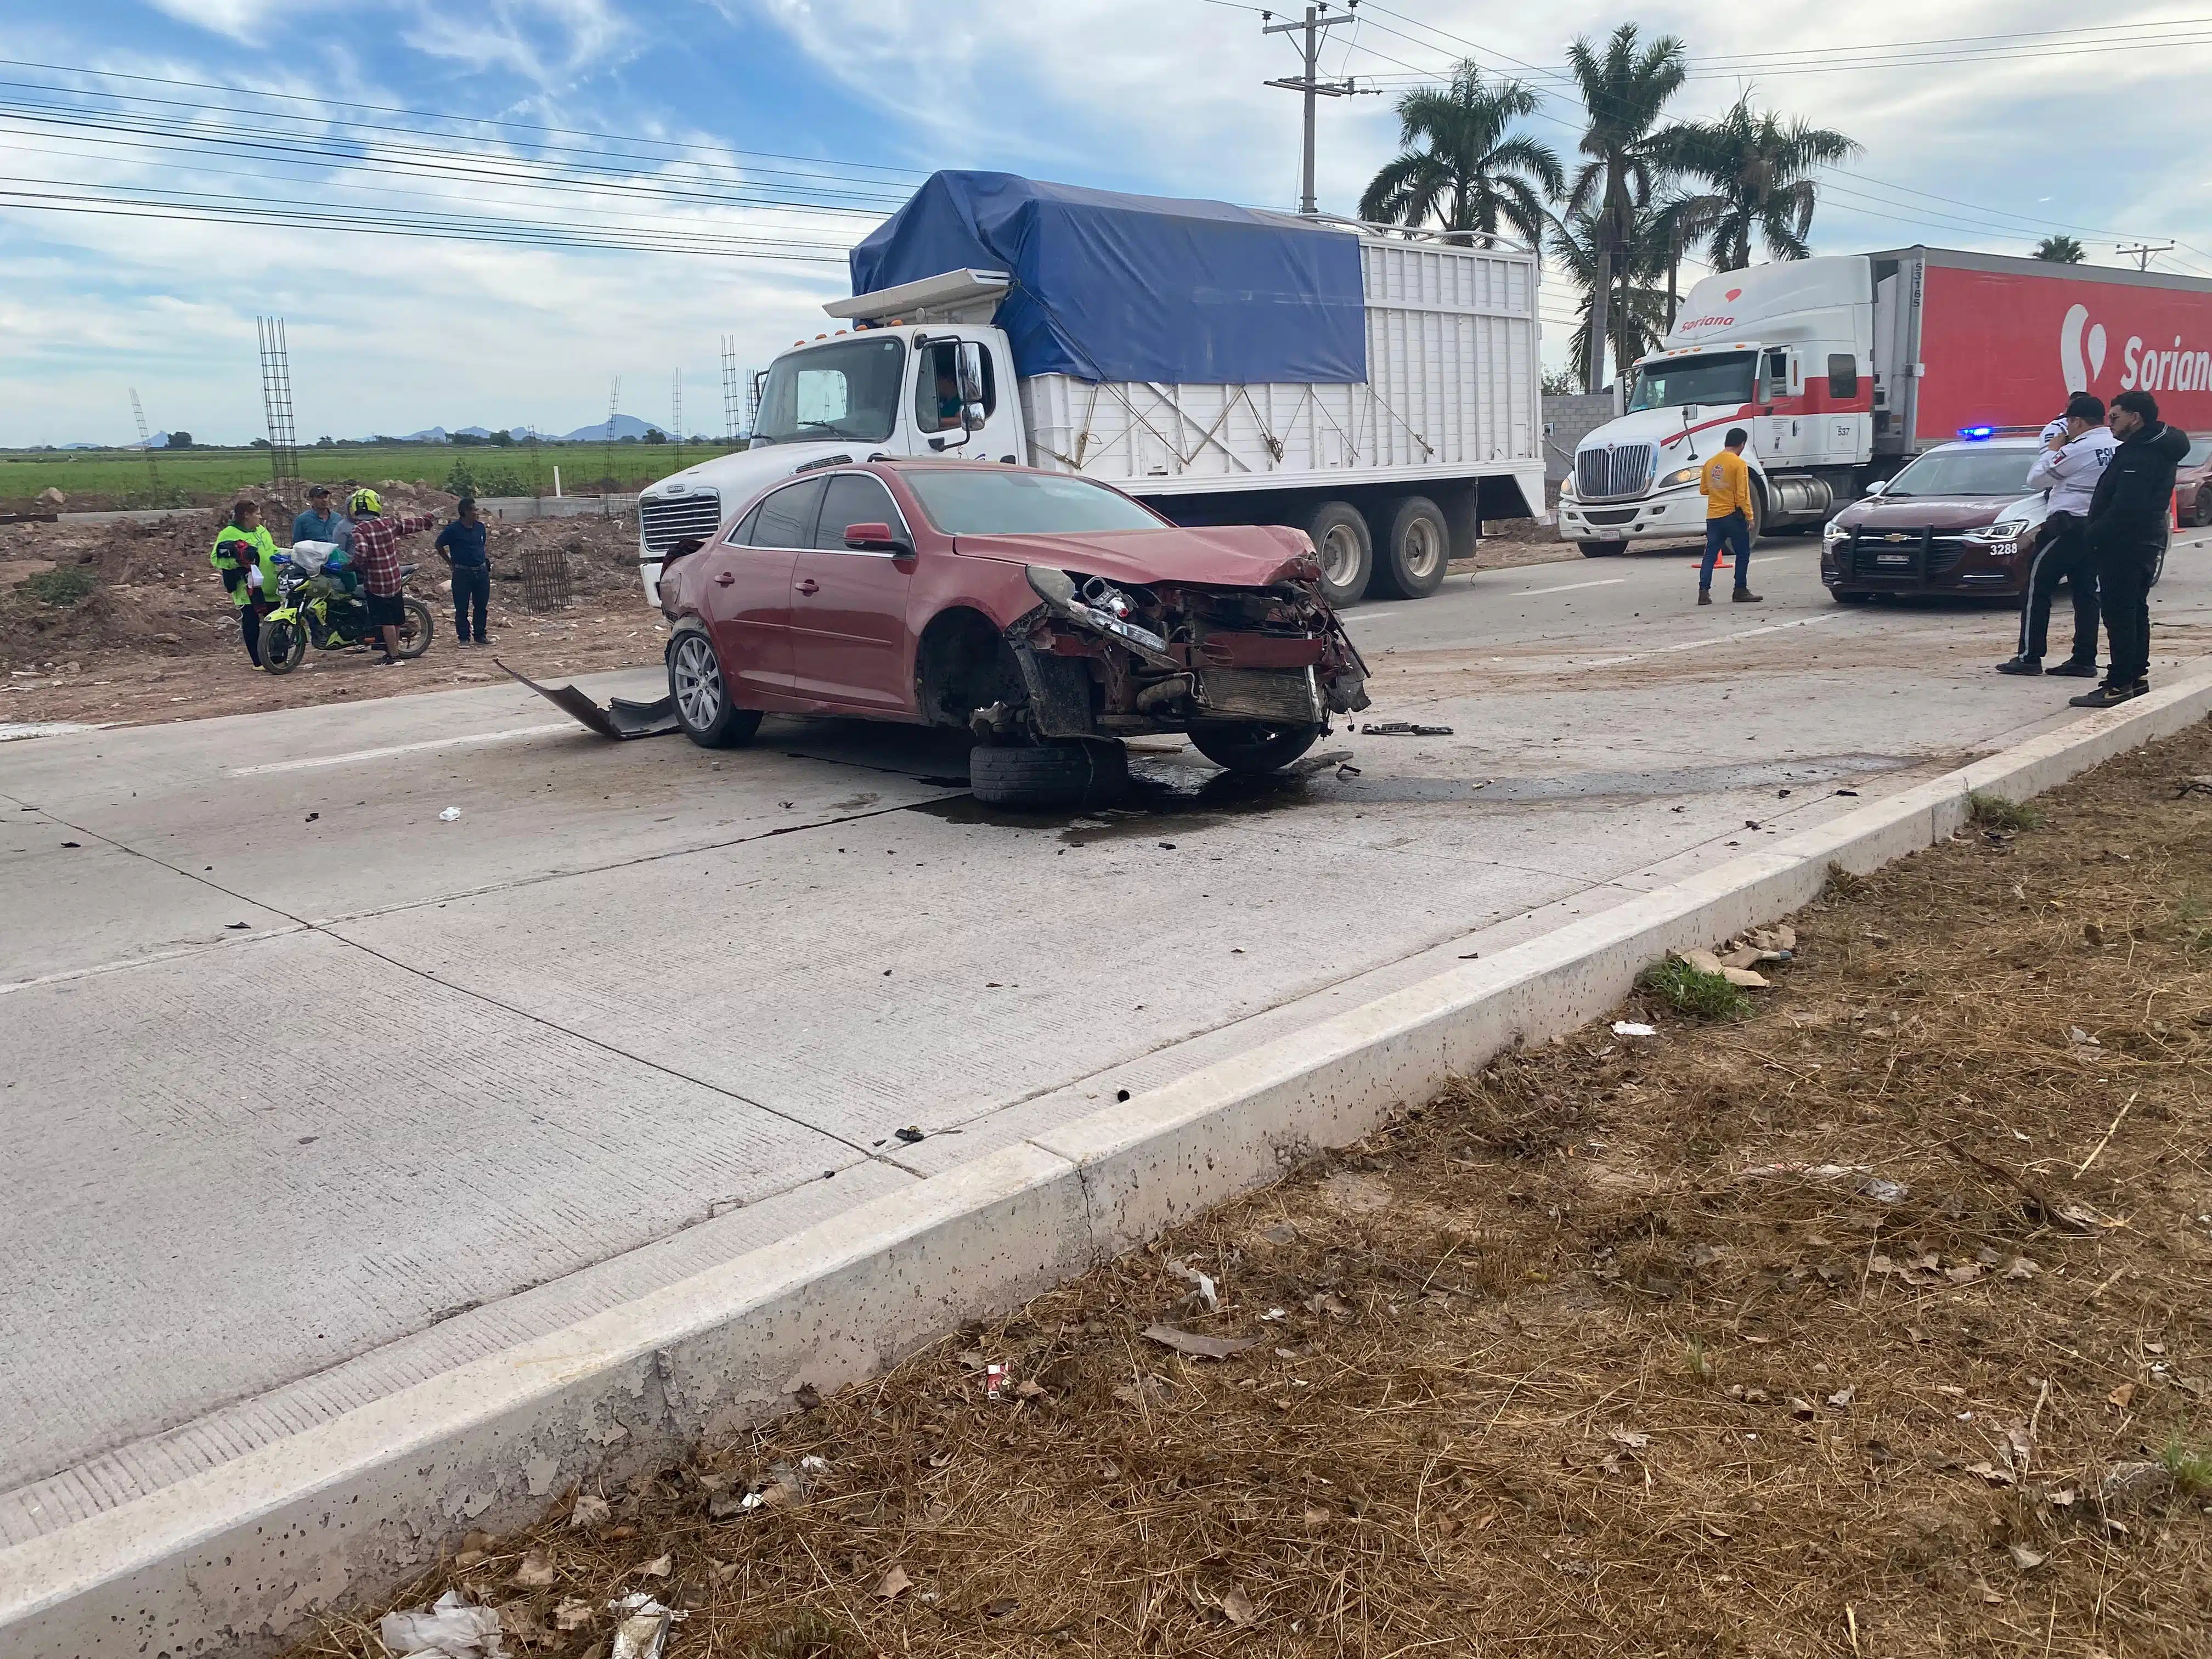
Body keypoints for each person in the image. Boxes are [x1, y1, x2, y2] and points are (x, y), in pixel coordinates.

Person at [2070, 389, 2190, 708]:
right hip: (2140, 541)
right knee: (2134, 610)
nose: (2109, 423)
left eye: (2115, 417)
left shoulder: (2142, 455)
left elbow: (2127, 507)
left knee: (2120, 613)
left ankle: (2120, 682)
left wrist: (2093, 534)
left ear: (2135, 418)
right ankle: (2134, 677)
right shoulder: (2147, 447)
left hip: (2126, 544)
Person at [1998, 393, 2116, 678]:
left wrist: (2052, 451)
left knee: (2035, 589)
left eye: (2069, 423)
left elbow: (2037, 479)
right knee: (2087, 594)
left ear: (2076, 421)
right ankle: (2084, 658)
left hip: (2067, 527)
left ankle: (2029, 657)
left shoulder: (2078, 448)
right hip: (2097, 528)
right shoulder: (2117, 445)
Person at [346, 488, 437, 666]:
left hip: (376, 583)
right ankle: (394, 653)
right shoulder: (389, 523)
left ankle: (394, 657)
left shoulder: (360, 530)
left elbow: (362, 553)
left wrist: (351, 565)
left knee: (385, 621)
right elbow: (410, 525)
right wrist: (428, 518)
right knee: (395, 620)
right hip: (395, 580)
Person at [210, 500, 281, 668]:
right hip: (247, 587)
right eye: (257, 514)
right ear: (246, 515)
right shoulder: (229, 533)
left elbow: (271, 550)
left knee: (276, 619)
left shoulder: (262, 530)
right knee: (251, 621)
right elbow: (216, 559)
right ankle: (258, 661)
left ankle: (278, 657)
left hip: (270, 584)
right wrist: (239, 562)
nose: (261, 517)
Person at [1698, 427, 1762, 605]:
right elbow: (1743, 494)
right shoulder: (1739, 464)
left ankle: (1704, 592)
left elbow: (1703, 490)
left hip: (1713, 516)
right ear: (1742, 444)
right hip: (1733, 516)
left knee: (1710, 554)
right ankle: (1740, 590)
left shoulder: (1710, 463)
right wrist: (1750, 516)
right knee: (1742, 553)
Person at [435, 496, 492, 646]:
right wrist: (450, 562)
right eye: (475, 510)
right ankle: (464, 637)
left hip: (481, 572)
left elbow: (482, 544)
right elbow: (439, 545)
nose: (477, 513)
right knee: (462, 607)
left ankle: (480, 635)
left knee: (481, 605)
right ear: (466, 512)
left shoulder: (480, 527)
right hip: (462, 573)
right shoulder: (453, 530)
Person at [290, 484, 354, 553]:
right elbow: (297, 545)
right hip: (314, 559)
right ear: (311, 500)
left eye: (326, 497)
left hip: (336, 558)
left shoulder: (337, 518)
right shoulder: (302, 520)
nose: (324, 500)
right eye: (319, 497)